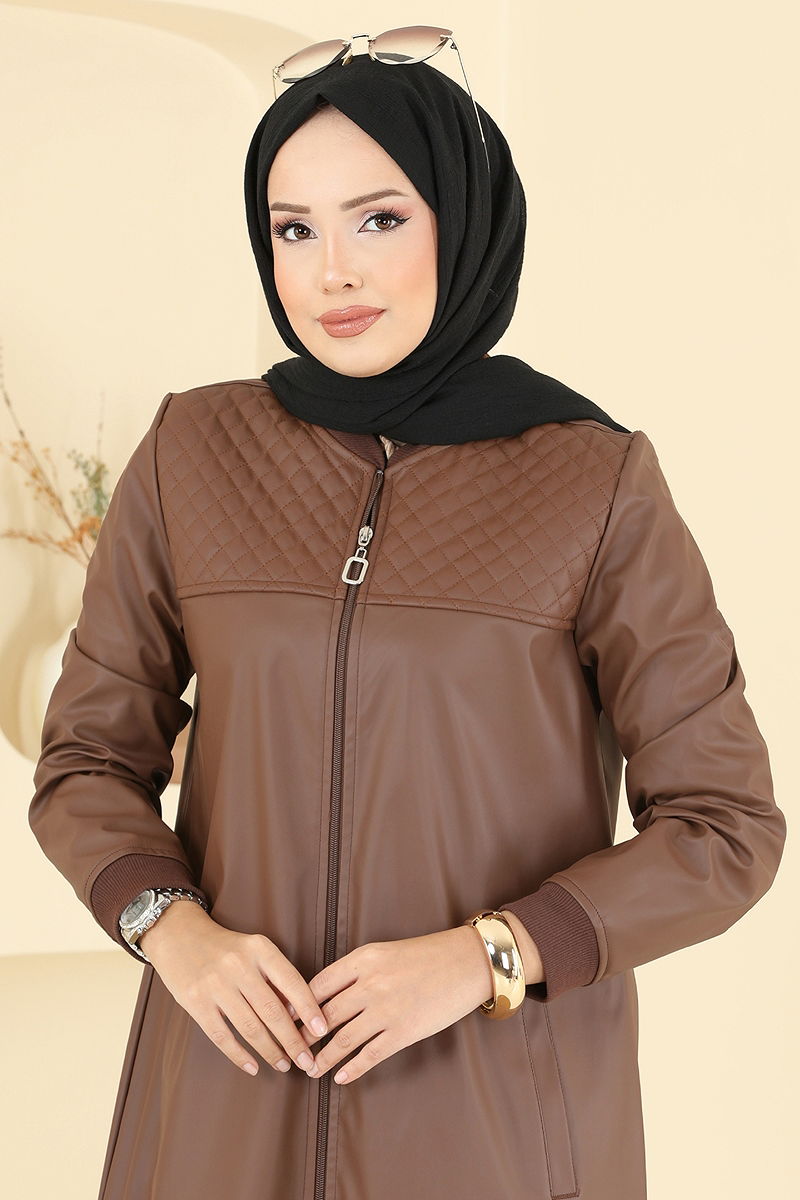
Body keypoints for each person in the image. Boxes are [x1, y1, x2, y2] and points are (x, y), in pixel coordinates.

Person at [29, 30, 786, 1200]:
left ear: (461, 219)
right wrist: (170, 926)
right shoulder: (194, 451)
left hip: (492, 1120)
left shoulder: (592, 481)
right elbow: (86, 758)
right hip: (224, 1102)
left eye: (377, 219)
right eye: (294, 229)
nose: (331, 271)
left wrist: (487, 956)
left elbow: (723, 827)